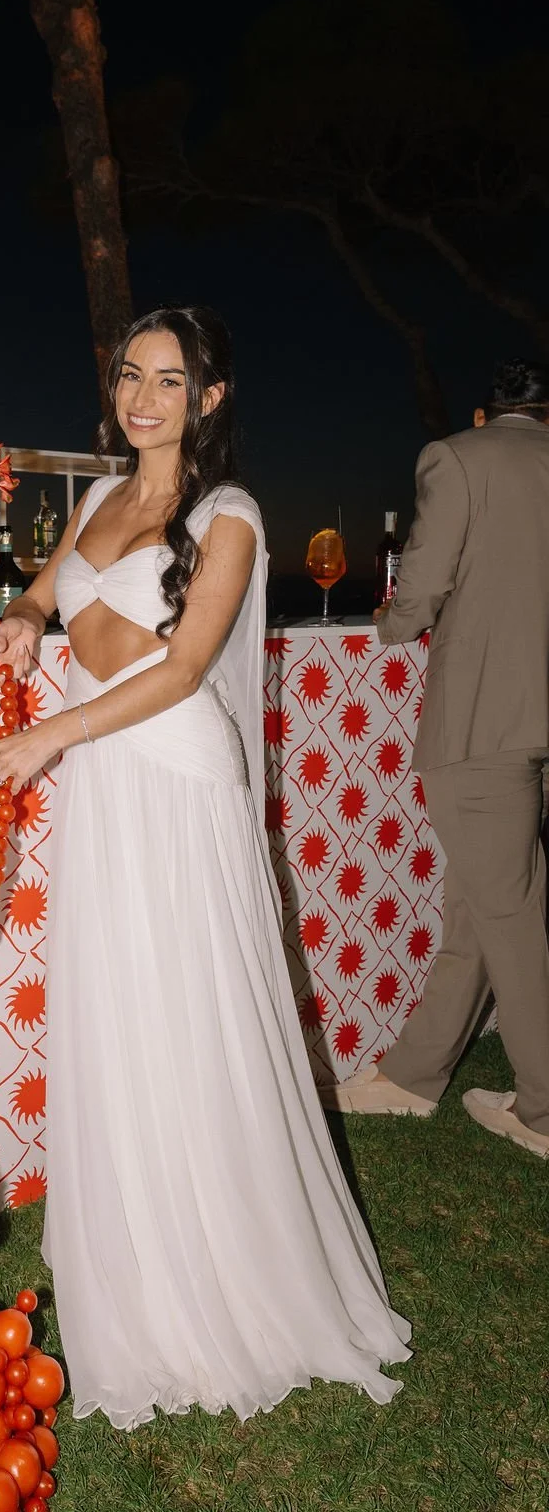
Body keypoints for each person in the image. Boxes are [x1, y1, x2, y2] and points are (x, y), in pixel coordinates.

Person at [0, 306, 410, 1430]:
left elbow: (181, 673)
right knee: (123, 1015)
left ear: (209, 400)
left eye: (169, 382)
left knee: (193, 1017)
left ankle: (229, 1279)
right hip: (108, 792)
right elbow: (48, 587)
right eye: (132, 376)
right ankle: (141, 1256)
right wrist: (28, 617)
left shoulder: (229, 515)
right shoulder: (94, 501)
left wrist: (50, 735)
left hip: (170, 779)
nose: (143, 398)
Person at [328, 359, 549, 1159]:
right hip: (534, 719)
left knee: (511, 913)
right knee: (486, 902)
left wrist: (391, 623)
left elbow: (419, 587)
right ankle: (414, 1076)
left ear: (487, 413)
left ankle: (544, 1108)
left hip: (485, 718)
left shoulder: (456, 457)